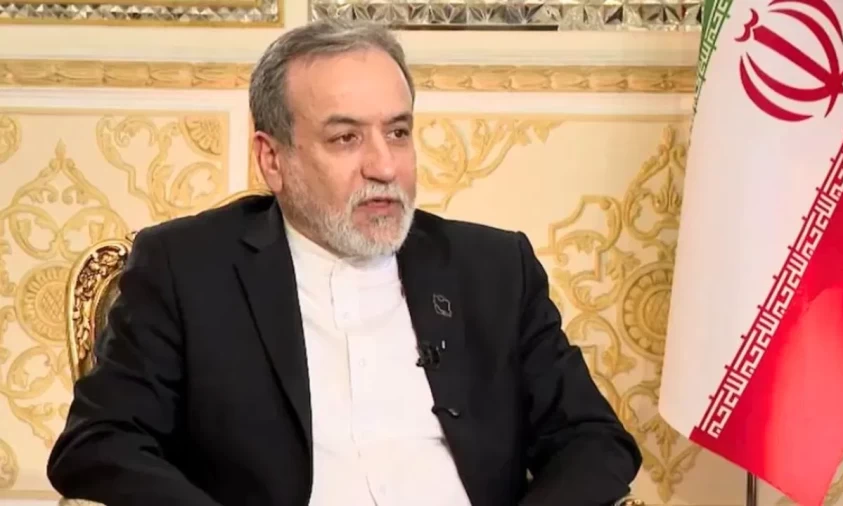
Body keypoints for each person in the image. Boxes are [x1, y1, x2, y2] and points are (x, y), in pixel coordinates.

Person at [47, 19, 642, 506]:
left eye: (399, 132)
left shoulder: (492, 269)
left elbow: (594, 441)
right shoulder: (188, 268)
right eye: (345, 138)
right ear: (273, 159)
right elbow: (99, 443)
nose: (384, 166)